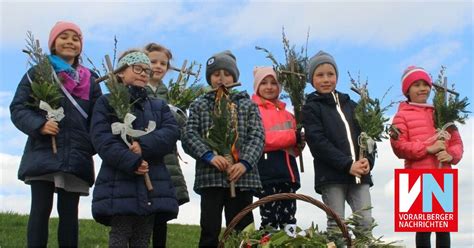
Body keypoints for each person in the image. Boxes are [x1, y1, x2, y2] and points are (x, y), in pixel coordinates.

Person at [10, 21, 102, 247]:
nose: (70, 42)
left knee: (69, 213)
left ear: (81, 45)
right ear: (53, 43)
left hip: (77, 154)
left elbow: (99, 117)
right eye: (64, 37)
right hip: (43, 151)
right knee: (40, 209)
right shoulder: (38, 73)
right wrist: (39, 125)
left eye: (75, 38)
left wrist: (90, 145)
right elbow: (19, 107)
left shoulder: (91, 78)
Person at [90, 49, 179, 247]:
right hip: (119, 180)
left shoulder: (158, 106)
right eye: (137, 68)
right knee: (121, 234)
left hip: (152, 178)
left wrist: (143, 146)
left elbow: (171, 132)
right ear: (121, 72)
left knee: (143, 236)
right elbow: (102, 139)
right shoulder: (106, 102)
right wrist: (132, 161)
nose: (143, 73)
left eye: (147, 71)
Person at [181, 50, 264, 247]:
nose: (222, 79)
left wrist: (244, 163)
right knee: (210, 229)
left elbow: (257, 136)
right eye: (216, 74)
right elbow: (189, 135)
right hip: (211, 178)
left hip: (242, 178)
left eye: (227, 74)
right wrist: (208, 155)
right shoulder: (199, 104)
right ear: (210, 77)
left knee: (243, 231)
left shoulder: (247, 104)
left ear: (234, 76)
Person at [302, 50, 374, 237]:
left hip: (360, 175)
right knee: (337, 224)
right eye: (320, 75)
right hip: (332, 175)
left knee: (365, 221)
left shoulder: (352, 106)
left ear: (337, 76)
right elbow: (318, 143)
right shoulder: (311, 108)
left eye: (330, 74)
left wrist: (368, 161)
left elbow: (368, 137)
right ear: (312, 80)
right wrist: (347, 164)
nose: (326, 79)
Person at [390, 66, 463, 248]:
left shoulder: (441, 113)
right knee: (422, 229)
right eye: (416, 85)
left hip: (442, 174)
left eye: (425, 84)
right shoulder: (401, 115)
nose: (422, 88)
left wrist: (450, 155)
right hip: (416, 175)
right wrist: (428, 148)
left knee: (443, 228)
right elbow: (399, 146)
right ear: (407, 90)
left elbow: (456, 142)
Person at [144, 42, 190, 247]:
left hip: (167, 159)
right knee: (143, 213)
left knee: (162, 214)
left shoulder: (171, 94)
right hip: (144, 156)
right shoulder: (136, 89)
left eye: (163, 63)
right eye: (153, 61)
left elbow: (181, 126)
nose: (158, 66)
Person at [251, 66, 301, 230]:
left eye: (273, 83)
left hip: (288, 172)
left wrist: (300, 142)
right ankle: (268, 241)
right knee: (270, 216)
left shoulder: (288, 114)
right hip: (268, 171)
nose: (269, 87)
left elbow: (294, 149)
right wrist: (293, 137)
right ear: (257, 87)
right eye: (264, 83)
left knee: (289, 216)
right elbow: (262, 140)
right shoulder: (254, 111)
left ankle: (290, 241)